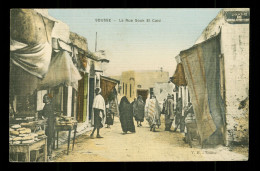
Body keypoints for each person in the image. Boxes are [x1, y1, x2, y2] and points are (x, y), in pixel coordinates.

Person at [42, 94, 56, 161]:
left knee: (48, 138)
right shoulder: (48, 105)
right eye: (44, 98)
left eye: (45, 98)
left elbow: (46, 116)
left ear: (49, 99)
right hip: (50, 124)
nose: (44, 99)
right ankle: (49, 154)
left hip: (49, 124)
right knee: (50, 139)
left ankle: (48, 155)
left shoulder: (48, 106)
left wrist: (44, 119)